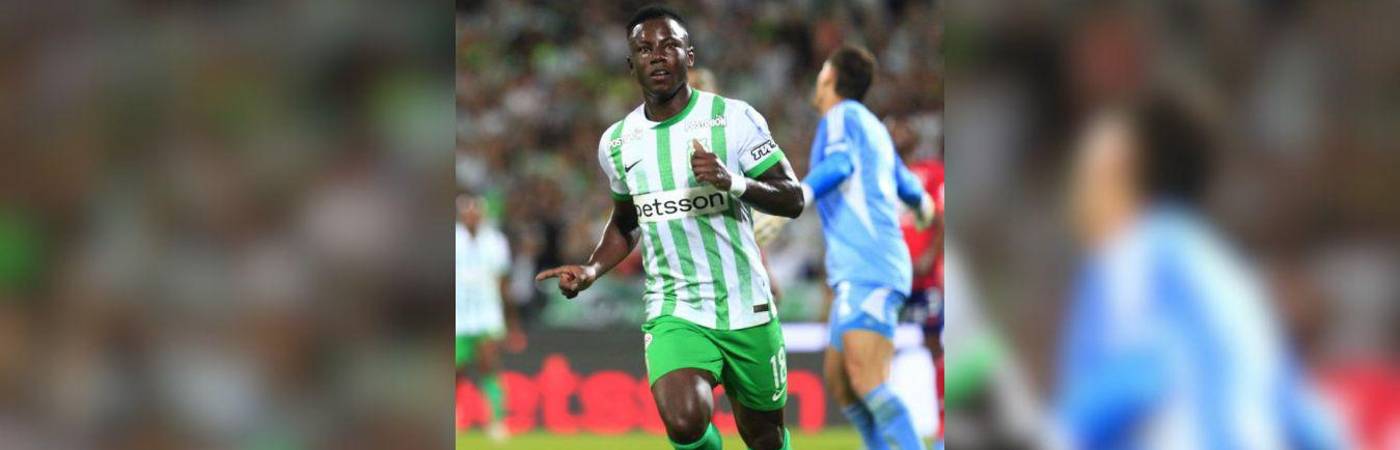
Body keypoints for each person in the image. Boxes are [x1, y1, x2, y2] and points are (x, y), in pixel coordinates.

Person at [534, 5, 804, 450]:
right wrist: (591, 270)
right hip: (675, 308)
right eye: (644, 49)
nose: (657, 56)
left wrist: (732, 181)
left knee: (765, 438)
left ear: (689, 56)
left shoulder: (733, 119)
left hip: (746, 305)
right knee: (684, 422)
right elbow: (625, 223)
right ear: (631, 64)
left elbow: (792, 198)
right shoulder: (618, 142)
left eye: (669, 46)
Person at [1052, 97, 1347, 449]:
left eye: (1083, 167)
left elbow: (1144, 373)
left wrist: (1056, 430)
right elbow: (1305, 419)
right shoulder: (1231, 278)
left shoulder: (1129, 255)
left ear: (1116, 166)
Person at [803, 44, 936, 450]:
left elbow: (839, 165)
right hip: (860, 268)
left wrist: (799, 196)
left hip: (870, 266)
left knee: (867, 380)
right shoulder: (873, 128)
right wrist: (923, 206)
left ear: (829, 76)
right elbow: (908, 185)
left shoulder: (841, 116)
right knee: (843, 385)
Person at [455, 193, 525, 441]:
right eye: (467, 212)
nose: (471, 216)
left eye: (475, 212)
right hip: (456, 316)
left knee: (489, 367)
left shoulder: (495, 241)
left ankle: (495, 422)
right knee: (455, 369)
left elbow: (504, 284)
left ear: (482, 214)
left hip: (487, 314)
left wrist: (512, 323)